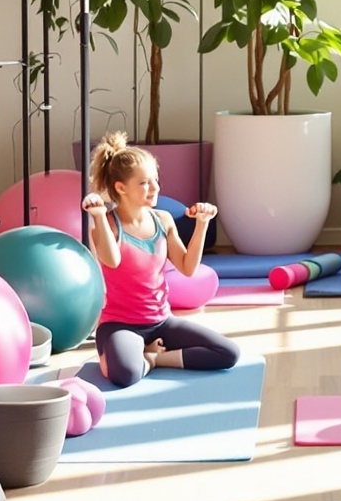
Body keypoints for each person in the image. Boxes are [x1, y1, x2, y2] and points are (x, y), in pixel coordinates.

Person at [82, 132, 241, 387]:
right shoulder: (108, 225)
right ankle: (148, 359)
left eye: (155, 180)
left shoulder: (163, 220)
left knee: (228, 353)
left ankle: (156, 358)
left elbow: (188, 268)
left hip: (161, 322)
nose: (155, 188)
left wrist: (202, 225)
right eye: (144, 183)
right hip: (120, 327)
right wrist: (99, 217)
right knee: (125, 375)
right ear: (121, 188)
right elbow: (111, 261)